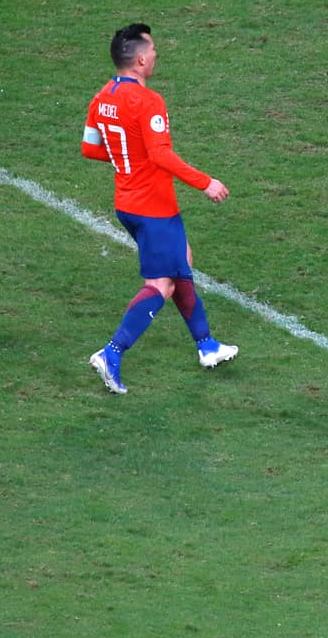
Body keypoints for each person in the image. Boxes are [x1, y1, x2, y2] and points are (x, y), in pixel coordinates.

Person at [81, 23, 238, 394]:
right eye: (152, 50)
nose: (155, 55)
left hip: (127, 203)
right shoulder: (149, 101)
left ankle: (207, 345)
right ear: (139, 60)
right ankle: (112, 352)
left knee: (182, 260)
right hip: (153, 207)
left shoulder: (102, 97)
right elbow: (160, 154)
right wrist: (205, 182)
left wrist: (127, 158)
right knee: (161, 283)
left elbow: (90, 147)